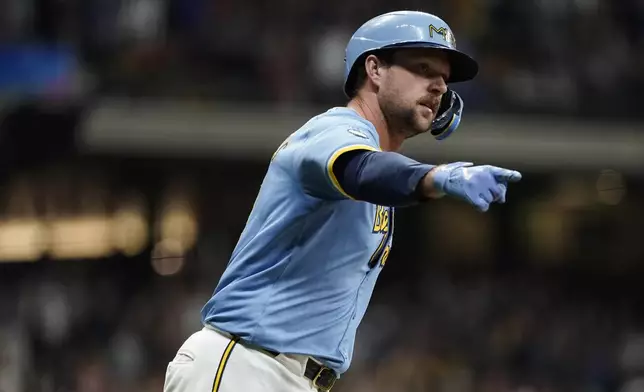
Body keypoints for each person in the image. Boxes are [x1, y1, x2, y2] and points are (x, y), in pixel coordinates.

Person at [163, 10, 521, 392]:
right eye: (422, 68)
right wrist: (437, 177)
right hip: (248, 364)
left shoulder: (378, 158)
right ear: (375, 70)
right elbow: (362, 171)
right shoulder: (334, 129)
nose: (438, 87)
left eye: (444, 79)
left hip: (292, 377)